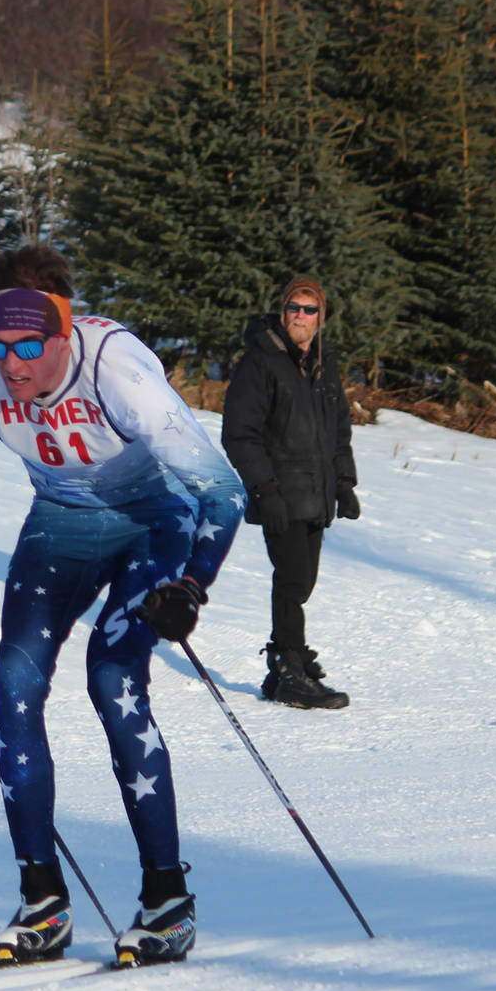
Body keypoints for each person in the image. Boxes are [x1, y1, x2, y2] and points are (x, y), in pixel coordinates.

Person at [0, 243, 244, 966]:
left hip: (154, 519)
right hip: (61, 523)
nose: (12, 364)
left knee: (112, 678)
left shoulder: (119, 371)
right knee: (14, 683)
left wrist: (191, 586)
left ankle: (167, 902)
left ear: (64, 331)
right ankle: (43, 902)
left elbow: (224, 492)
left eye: (29, 345)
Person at [219, 277, 359, 711]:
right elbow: (239, 433)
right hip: (281, 492)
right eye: (294, 308)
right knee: (293, 580)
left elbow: (337, 428)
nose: (301, 316)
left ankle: (289, 659)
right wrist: (264, 490)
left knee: (303, 580)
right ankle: (287, 670)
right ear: (283, 313)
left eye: (309, 309)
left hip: (317, 492)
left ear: (321, 318)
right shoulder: (261, 361)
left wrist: (344, 483)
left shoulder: (322, 363)